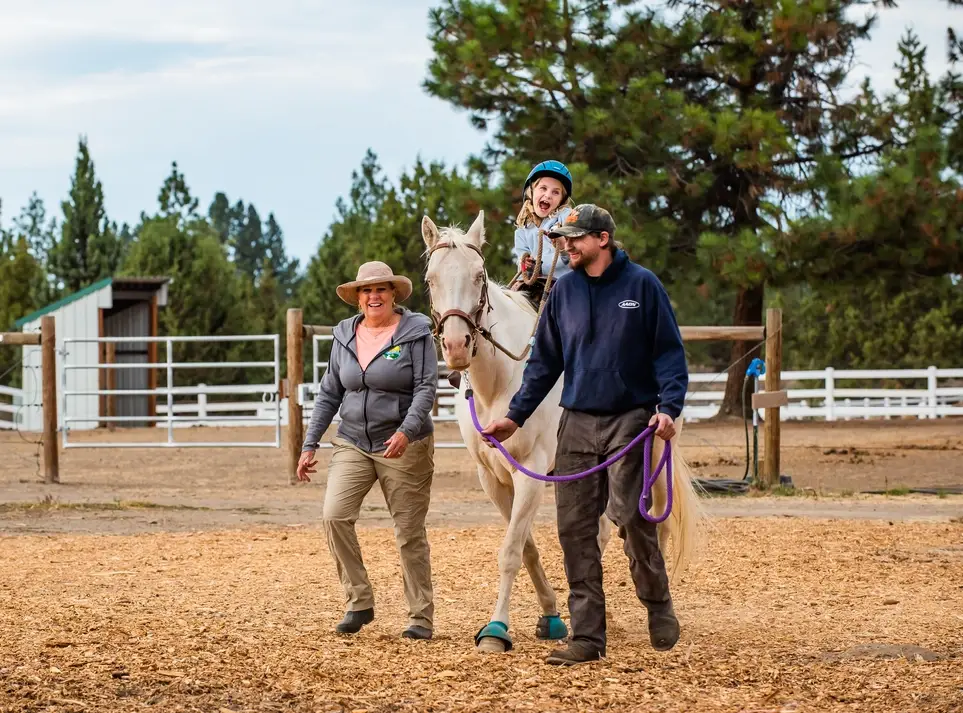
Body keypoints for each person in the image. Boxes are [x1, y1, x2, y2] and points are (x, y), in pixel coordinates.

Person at [482, 204, 689, 665]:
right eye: (563, 239)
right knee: (574, 528)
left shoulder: (643, 286)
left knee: (630, 517)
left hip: (630, 419)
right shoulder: (564, 291)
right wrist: (514, 417)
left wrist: (669, 409)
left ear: (602, 239)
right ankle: (588, 636)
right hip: (575, 421)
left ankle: (657, 603)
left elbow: (670, 355)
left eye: (574, 238)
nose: (566, 245)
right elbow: (543, 365)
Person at [297, 261, 439, 640]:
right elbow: (330, 391)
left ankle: (420, 617)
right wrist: (310, 443)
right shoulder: (344, 334)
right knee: (334, 515)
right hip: (353, 440)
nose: (373, 296)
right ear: (357, 298)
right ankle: (359, 601)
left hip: (403, 445)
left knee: (409, 532)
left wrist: (407, 431)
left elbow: (426, 386)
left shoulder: (416, 332)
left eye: (381, 289)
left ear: (394, 294)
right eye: (366, 291)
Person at [511, 160, 576, 305]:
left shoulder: (567, 217)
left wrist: (563, 244)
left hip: (564, 284)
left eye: (555, 192)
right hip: (535, 286)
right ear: (531, 191)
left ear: (561, 199)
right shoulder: (522, 228)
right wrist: (525, 265)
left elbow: (574, 252)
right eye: (543, 188)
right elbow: (521, 256)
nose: (548, 195)